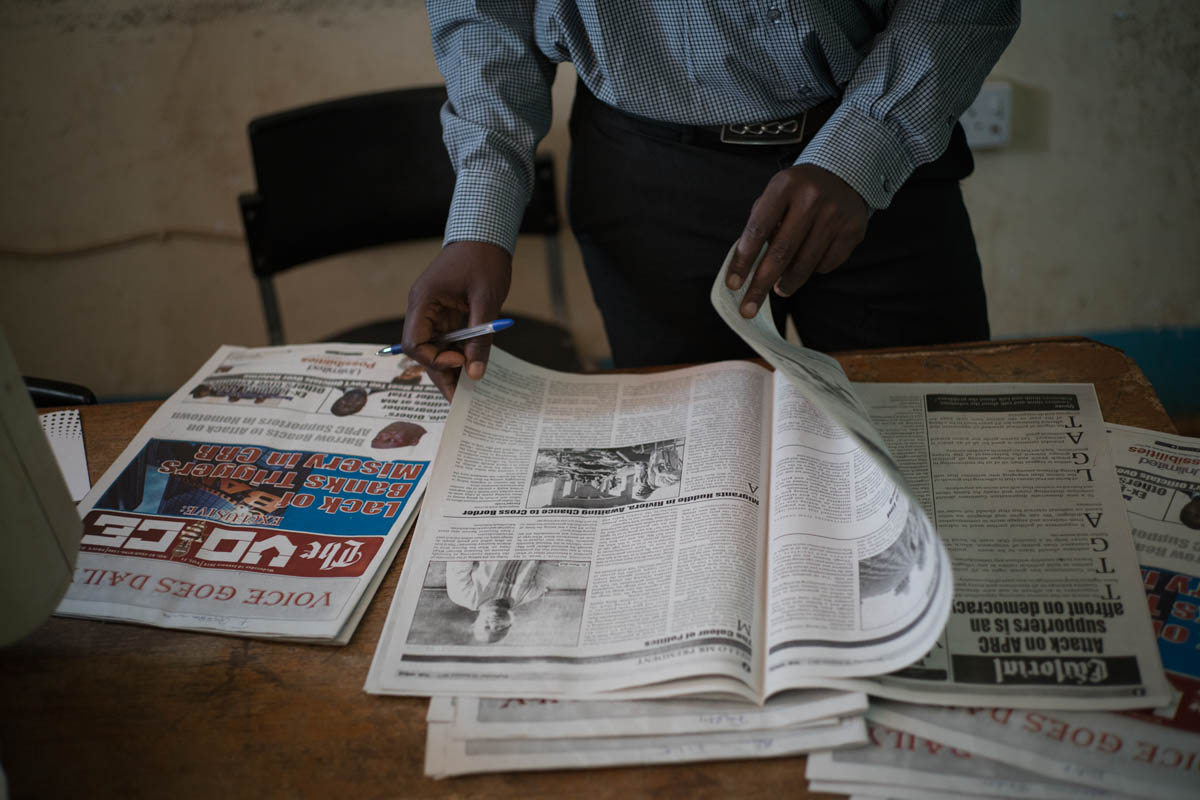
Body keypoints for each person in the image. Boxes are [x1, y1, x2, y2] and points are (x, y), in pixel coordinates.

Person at [403, 2, 1021, 398]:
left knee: (934, 426)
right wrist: (479, 224)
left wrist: (863, 150)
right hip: (646, 180)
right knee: (688, 461)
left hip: (874, 152)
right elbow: (484, 22)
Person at [445, 559, 547, 643]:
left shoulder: (461, 594)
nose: (494, 623)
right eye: (500, 627)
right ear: (510, 623)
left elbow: (460, 556)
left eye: (487, 627)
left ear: (476, 623)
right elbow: (550, 563)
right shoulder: (531, 593)